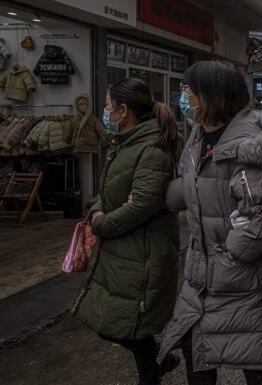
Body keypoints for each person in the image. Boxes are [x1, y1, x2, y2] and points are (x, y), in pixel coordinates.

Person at [157, 61, 262, 385]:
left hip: (242, 279)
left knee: (251, 355)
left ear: (210, 96)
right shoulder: (199, 134)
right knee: (196, 350)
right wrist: (150, 196)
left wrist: (229, 256)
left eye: (188, 91)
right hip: (202, 275)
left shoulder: (248, 146)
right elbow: (192, 186)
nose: (183, 98)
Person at [72, 78, 181, 385]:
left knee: (128, 323)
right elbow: (113, 194)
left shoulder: (151, 149)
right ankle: (157, 363)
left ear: (123, 110)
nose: (105, 112)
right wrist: (96, 208)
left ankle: (154, 369)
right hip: (124, 250)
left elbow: (142, 203)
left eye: (108, 107)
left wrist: (101, 223)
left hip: (142, 253)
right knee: (118, 322)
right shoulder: (124, 143)